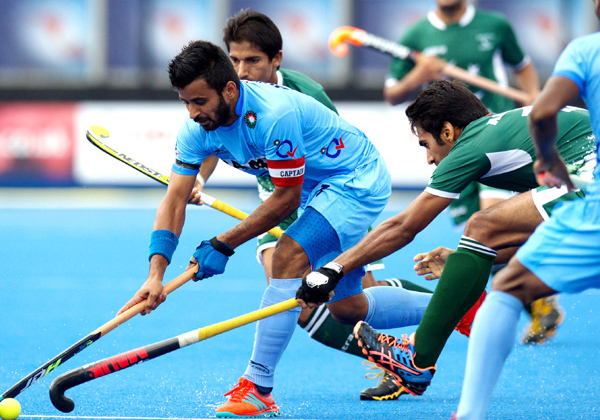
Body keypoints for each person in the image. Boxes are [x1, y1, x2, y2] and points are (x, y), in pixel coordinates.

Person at [117, 40, 437, 418]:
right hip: (316, 193)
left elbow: (284, 200)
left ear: (230, 89)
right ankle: (456, 306)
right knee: (347, 308)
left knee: (287, 257)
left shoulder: (273, 115)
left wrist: (223, 243)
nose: (192, 113)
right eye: (185, 102)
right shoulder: (195, 131)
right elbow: (173, 201)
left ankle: (257, 388)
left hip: (354, 179)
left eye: (199, 101)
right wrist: (156, 274)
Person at [187, 8, 432, 402]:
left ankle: (257, 387)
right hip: (279, 198)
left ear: (276, 59)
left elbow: (338, 159)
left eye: (252, 60)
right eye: (234, 60)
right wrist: (198, 177)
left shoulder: (301, 96)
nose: (241, 70)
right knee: (321, 301)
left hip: (332, 190)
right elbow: (218, 134)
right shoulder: (222, 98)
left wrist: (224, 242)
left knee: (333, 290)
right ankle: (421, 335)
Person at [298, 79, 596, 396]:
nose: (428, 159)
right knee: (484, 233)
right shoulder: (510, 138)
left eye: (426, 144)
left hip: (591, 182)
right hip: (585, 182)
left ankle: (417, 358)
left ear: (448, 132)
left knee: (481, 225)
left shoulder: (474, 143)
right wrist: (472, 257)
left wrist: (334, 269)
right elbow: (538, 233)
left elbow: (404, 227)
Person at [383, 0, 564, 348]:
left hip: (498, 148)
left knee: (490, 225)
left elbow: (522, 67)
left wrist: (534, 102)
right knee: (483, 235)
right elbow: (393, 93)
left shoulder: (495, 25)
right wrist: (421, 73)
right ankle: (528, 296)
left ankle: (518, 302)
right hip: (451, 147)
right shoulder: (416, 34)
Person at [453, 3, 600, 417]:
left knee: (507, 289)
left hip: (595, 211)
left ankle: (469, 414)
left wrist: (549, 158)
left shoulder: (586, 50)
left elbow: (544, 111)